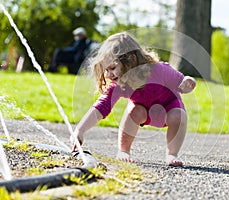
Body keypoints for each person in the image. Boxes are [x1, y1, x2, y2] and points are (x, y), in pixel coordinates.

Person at [70, 32, 196, 166]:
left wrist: (189, 83)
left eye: (112, 68)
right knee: (135, 110)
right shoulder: (119, 84)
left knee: (179, 115)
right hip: (143, 112)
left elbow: (183, 82)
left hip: (168, 109)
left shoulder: (159, 70)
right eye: (106, 70)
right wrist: (80, 130)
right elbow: (101, 107)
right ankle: (124, 151)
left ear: (130, 60)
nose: (109, 74)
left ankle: (172, 154)